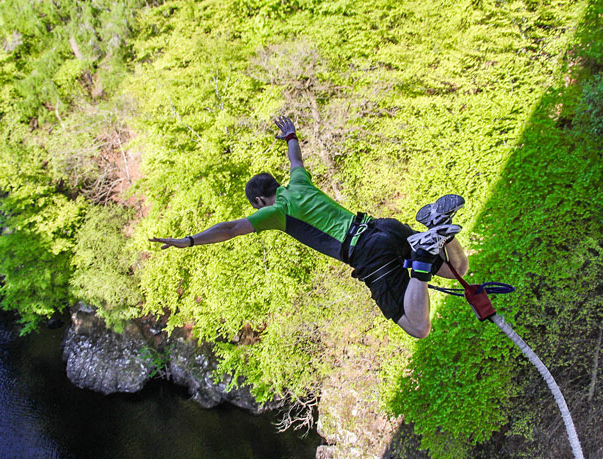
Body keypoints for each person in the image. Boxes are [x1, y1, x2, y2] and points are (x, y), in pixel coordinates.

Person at [150, 116, 469, 338]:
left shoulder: (277, 211)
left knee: (418, 327)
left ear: (261, 201)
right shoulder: (298, 183)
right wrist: (290, 135)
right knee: (459, 268)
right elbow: (296, 161)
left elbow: (231, 228)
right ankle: (437, 226)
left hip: (367, 252)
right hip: (380, 227)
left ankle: (424, 255)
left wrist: (189, 240)